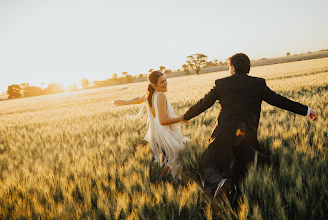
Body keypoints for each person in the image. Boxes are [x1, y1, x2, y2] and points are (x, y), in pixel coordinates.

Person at [183, 53, 317, 201]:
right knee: (246, 160)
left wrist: (186, 116)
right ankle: (234, 182)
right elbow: (279, 101)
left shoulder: (221, 83)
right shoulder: (258, 84)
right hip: (246, 136)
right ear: (248, 68)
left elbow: (204, 103)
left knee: (209, 162)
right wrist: (306, 110)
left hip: (223, 135)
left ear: (232, 68)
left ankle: (220, 183)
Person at [114, 71, 188, 178]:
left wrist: (123, 102)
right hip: (165, 134)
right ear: (154, 85)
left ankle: (161, 181)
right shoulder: (161, 95)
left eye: (165, 80)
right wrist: (181, 118)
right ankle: (168, 182)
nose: (165, 83)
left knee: (171, 161)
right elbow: (163, 120)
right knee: (175, 161)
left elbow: (138, 99)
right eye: (162, 82)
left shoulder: (150, 95)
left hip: (158, 135)